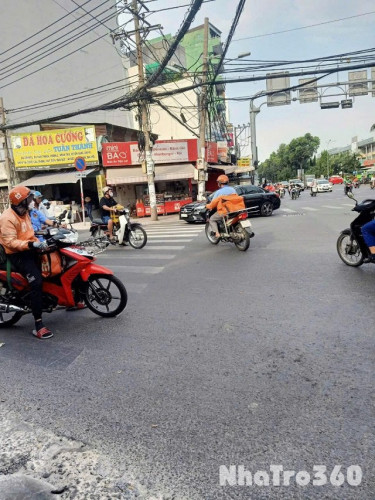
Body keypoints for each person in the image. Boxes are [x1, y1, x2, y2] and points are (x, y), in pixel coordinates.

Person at [0, 186, 53, 339]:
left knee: (54, 267)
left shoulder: (25, 213)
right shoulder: (7, 218)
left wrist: (38, 241)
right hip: (17, 255)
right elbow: (10, 242)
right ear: (21, 202)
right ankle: (39, 325)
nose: (32, 201)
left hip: (29, 250)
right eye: (29, 199)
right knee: (36, 282)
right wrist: (31, 244)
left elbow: (29, 233)